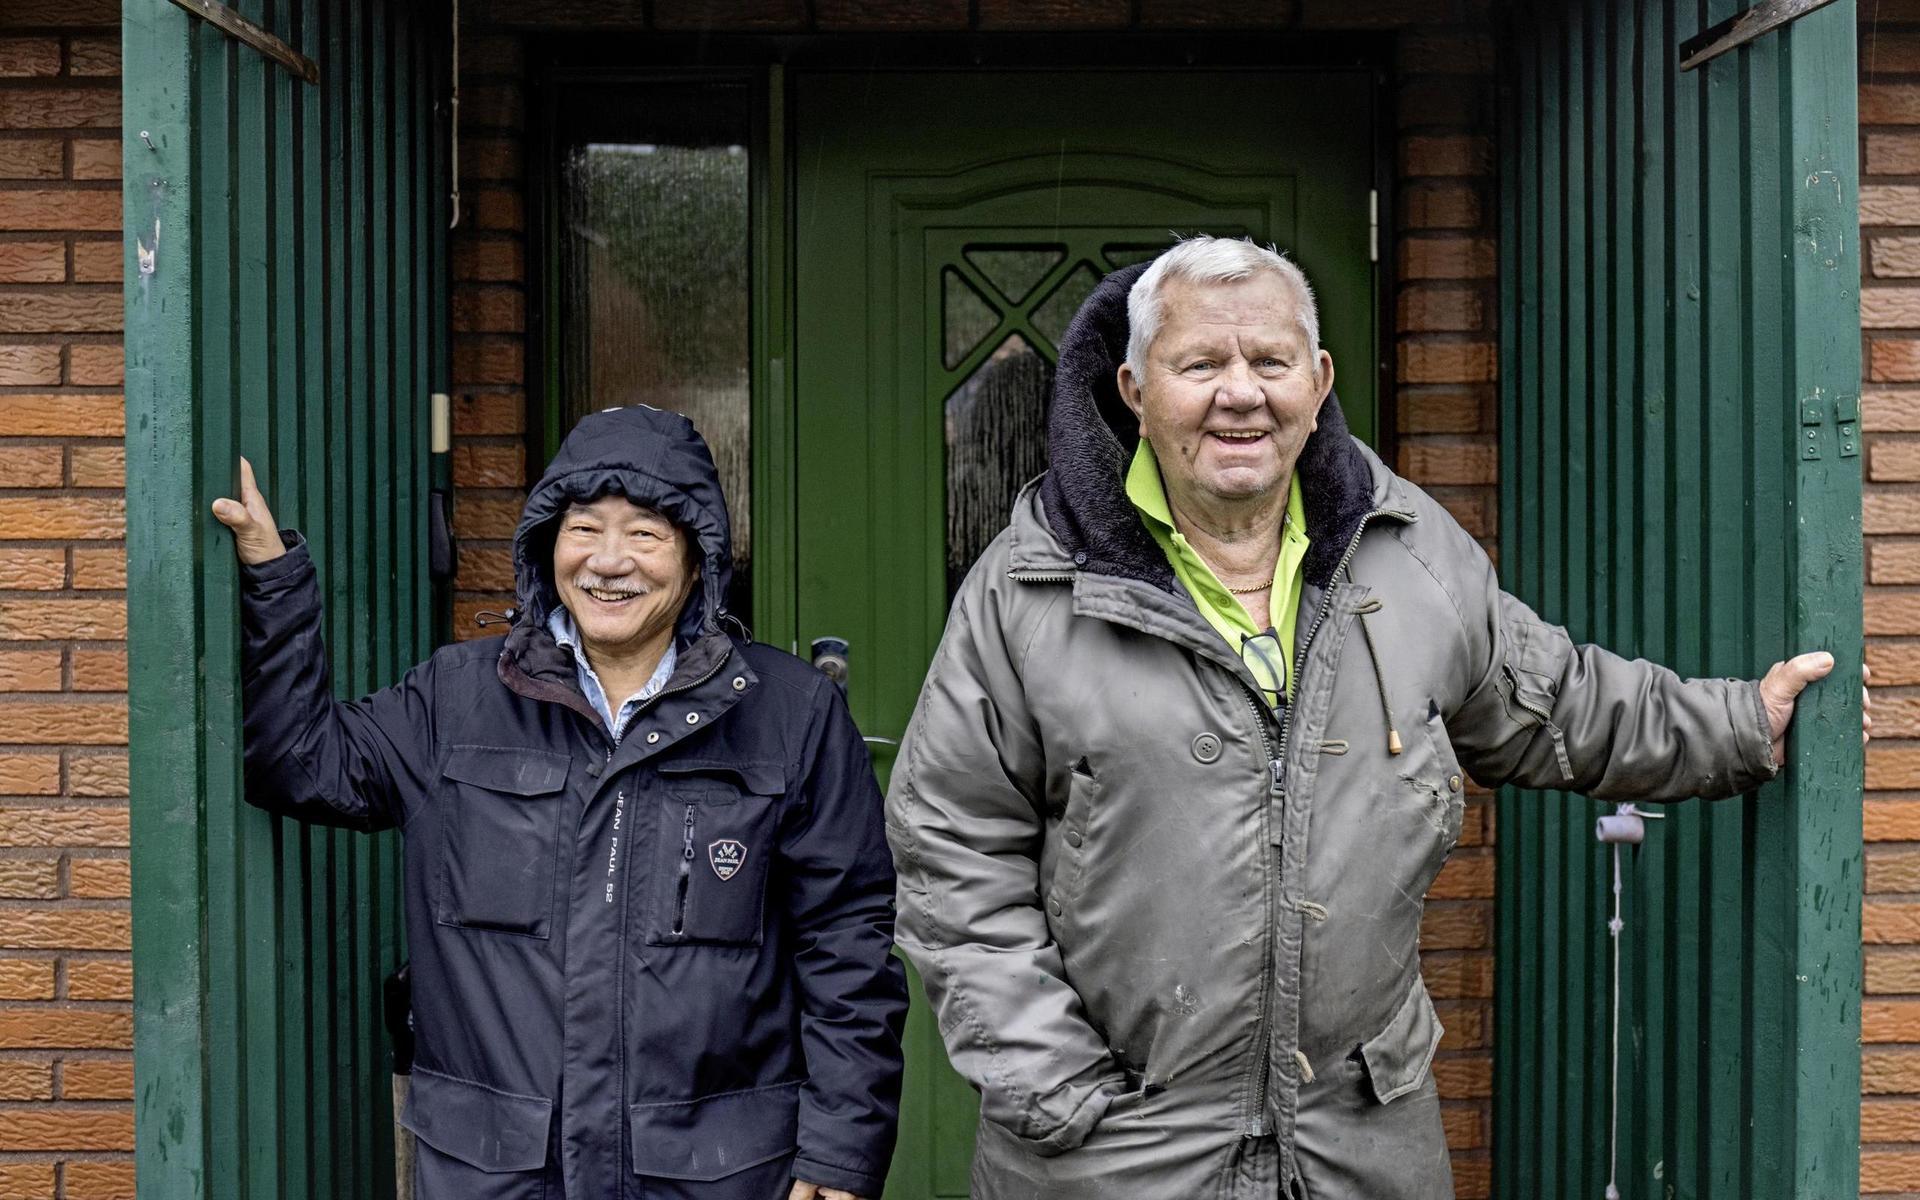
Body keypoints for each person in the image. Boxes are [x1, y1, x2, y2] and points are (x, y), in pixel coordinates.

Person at [884, 236, 1862, 1199]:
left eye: (1269, 362)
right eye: (1200, 364)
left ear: (1318, 381)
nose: (1240, 392)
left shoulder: (1404, 551)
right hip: (1113, 1156)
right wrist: (1055, 1091)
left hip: (1360, 1146)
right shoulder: (1031, 587)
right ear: (1135, 390)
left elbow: (1552, 699)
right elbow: (952, 858)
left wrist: (1740, 723)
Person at [216, 406, 907, 1200]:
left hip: (716, 1175)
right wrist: (276, 583)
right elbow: (299, 763)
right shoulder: (458, 698)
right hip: (500, 1174)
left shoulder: (789, 713)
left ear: (695, 559)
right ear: (549, 545)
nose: (609, 561)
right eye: (584, 528)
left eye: (645, 534)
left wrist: (840, 1149)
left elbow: (846, 941)